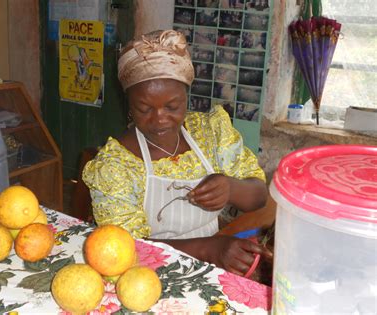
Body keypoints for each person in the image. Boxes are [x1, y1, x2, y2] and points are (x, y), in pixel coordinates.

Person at [83, 30, 272, 276]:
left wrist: (231, 188)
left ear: (186, 96)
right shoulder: (115, 166)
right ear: (128, 105)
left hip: (216, 260)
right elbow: (124, 249)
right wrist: (207, 249)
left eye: (172, 106)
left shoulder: (211, 133)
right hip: (146, 273)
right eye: (144, 108)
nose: (159, 119)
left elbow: (259, 198)